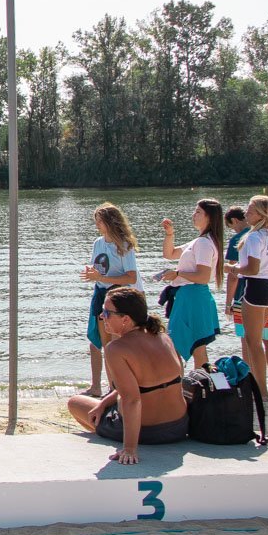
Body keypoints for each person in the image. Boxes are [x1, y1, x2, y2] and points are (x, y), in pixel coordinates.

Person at [67, 287, 188, 465]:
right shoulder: (163, 337)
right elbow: (148, 384)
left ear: (125, 319)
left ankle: (111, 437)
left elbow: (132, 400)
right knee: (99, 408)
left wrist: (129, 448)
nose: (101, 316)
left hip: (147, 432)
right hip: (179, 426)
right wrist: (103, 403)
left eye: (107, 313)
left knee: (75, 403)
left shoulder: (116, 349)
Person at [79, 202, 143, 397]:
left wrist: (101, 277)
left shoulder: (124, 245)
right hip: (100, 292)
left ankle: (115, 389)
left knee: (114, 344)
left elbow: (131, 277)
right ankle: (98, 387)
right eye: (96, 221)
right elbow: (98, 269)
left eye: (100, 221)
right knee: (97, 342)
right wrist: (91, 273)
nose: (97, 225)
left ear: (111, 221)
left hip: (118, 295)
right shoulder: (98, 243)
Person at [225, 195, 268, 399]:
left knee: (253, 343)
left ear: (261, 214)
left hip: (256, 289)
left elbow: (252, 269)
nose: (246, 213)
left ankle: (261, 392)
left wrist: (231, 269)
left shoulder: (253, 237)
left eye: (250, 210)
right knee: (263, 339)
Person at [158, 199, 223, 368]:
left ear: (209, 217)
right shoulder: (200, 241)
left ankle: (195, 382)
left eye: (198, 212)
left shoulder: (204, 243)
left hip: (193, 296)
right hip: (191, 296)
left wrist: (177, 274)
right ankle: (198, 382)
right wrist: (170, 234)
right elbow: (170, 253)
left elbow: (203, 276)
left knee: (190, 347)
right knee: (192, 346)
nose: (194, 215)